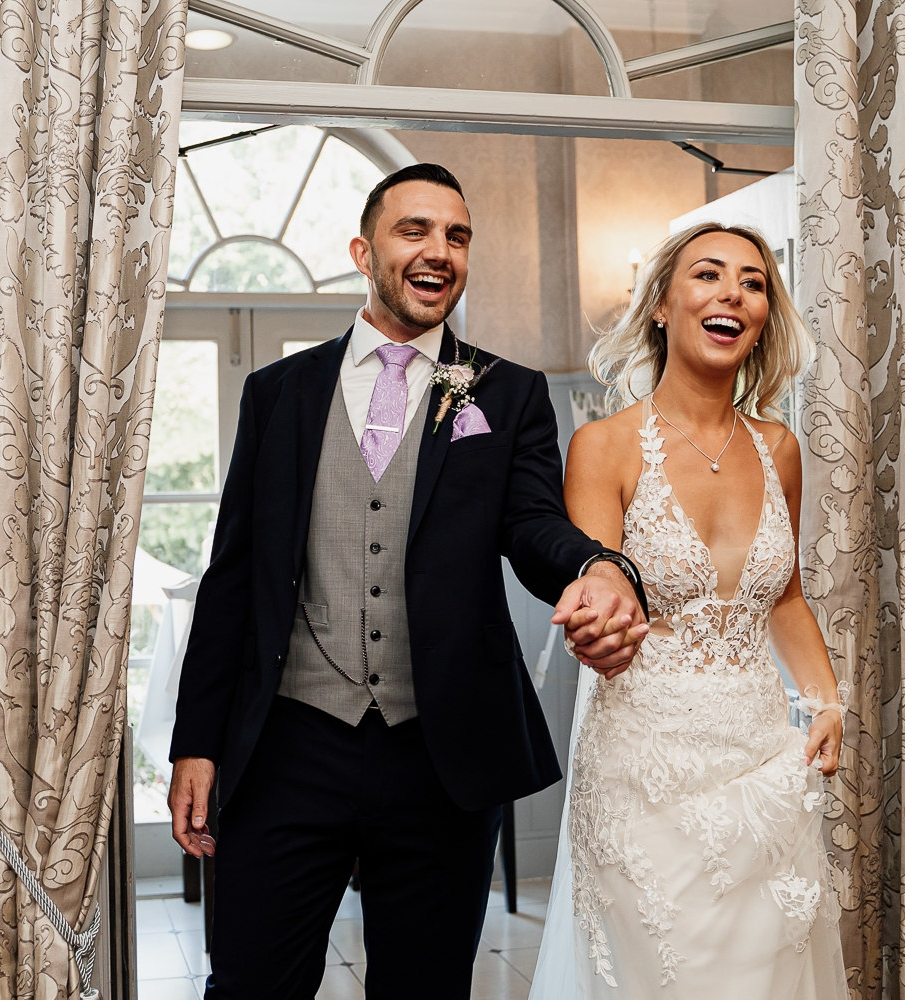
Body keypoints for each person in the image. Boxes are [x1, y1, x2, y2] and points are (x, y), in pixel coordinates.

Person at [166, 162, 651, 998]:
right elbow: (233, 576)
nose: (440, 251)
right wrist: (196, 742)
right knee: (249, 983)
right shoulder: (278, 393)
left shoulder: (511, 393)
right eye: (415, 230)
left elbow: (532, 529)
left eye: (457, 236)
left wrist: (598, 563)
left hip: (443, 752)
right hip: (290, 743)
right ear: (364, 250)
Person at [529, 222, 849, 999]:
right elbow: (600, 589)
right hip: (646, 772)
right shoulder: (604, 447)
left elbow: (788, 598)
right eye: (708, 275)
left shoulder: (780, 449)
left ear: (764, 314)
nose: (732, 294)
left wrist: (827, 699)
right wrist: (597, 630)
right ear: (663, 305)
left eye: (753, 282)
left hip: (762, 763)